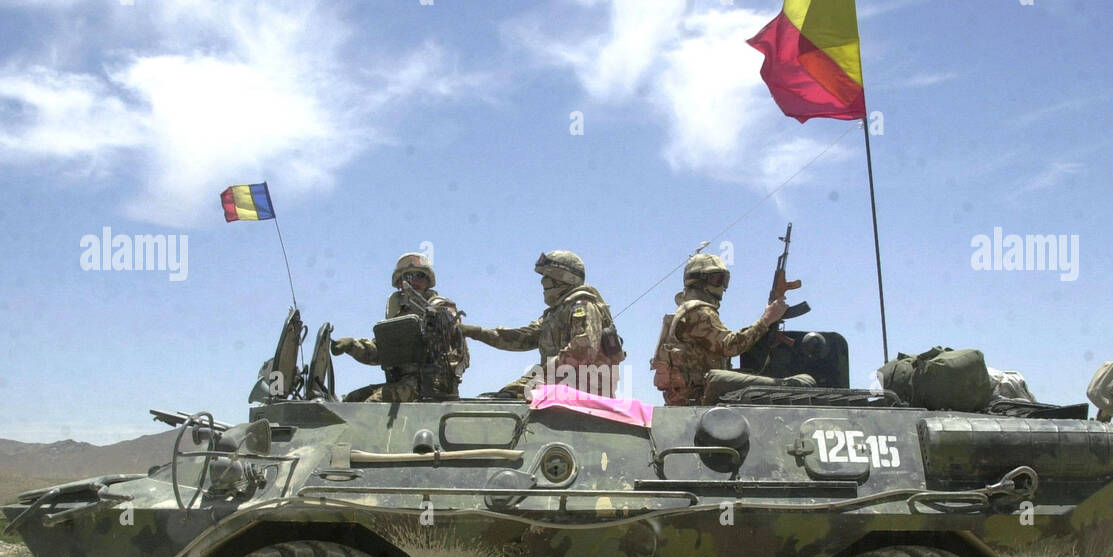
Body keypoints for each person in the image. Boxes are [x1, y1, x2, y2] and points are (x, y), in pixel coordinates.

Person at [461, 250, 625, 398]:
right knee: (502, 397)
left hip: (583, 387)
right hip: (558, 380)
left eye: (548, 277)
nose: (543, 282)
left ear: (563, 278)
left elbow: (582, 351)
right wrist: (474, 331)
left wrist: (543, 371)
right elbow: (520, 338)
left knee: (506, 401)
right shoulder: (556, 313)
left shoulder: (583, 307)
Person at [650, 253, 789, 406]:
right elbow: (730, 345)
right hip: (699, 402)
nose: (722, 287)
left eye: (725, 280)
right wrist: (767, 319)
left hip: (688, 402)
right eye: (717, 279)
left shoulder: (686, 311)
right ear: (698, 280)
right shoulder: (699, 312)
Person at [332, 252, 469, 402]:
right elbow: (380, 354)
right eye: (408, 277)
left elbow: (453, 331)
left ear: (428, 281)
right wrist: (352, 345)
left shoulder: (441, 307)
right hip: (403, 382)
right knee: (351, 401)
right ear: (399, 283)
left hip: (432, 385)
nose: (414, 280)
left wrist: (435, 320)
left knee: (372, 404)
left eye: (420, 275)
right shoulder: (398, 314)